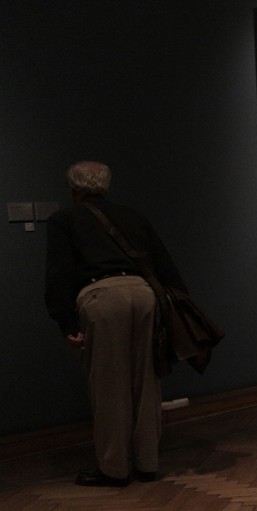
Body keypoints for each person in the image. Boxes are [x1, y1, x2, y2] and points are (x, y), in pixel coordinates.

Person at [45, 161, 187, 487]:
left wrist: (66, 322)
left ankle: (114, 467)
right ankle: (147, 462)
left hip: (102, 297)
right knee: (147, 382)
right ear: (106, 186)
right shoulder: (133, 216)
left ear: (74, 189)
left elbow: (58, 274)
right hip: (143, 293)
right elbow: (164, 265)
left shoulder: (64, 219)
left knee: (109, 386)